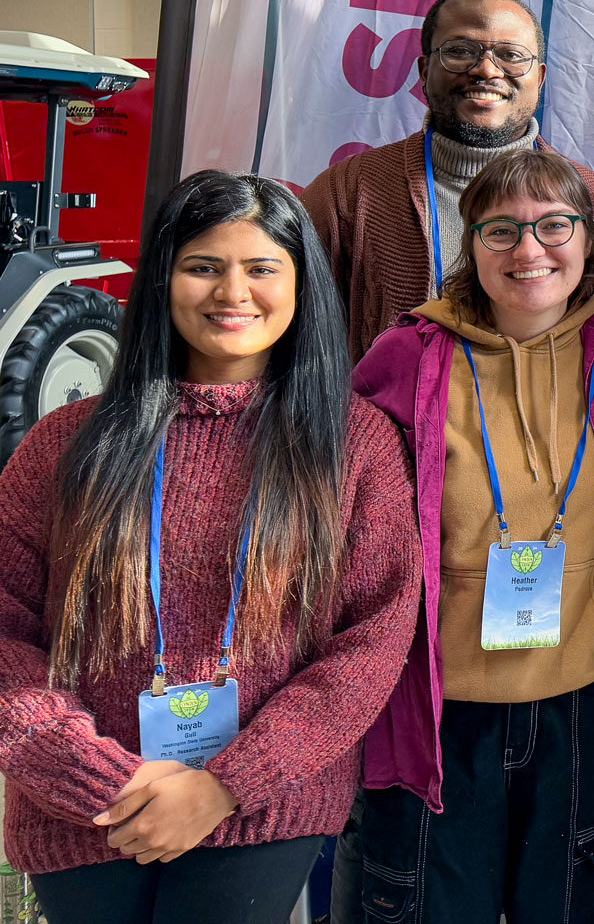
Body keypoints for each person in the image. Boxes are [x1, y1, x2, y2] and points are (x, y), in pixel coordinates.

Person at [0, 171, 420, 923]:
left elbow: (372, 641)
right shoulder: (65, 443)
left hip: (263, 804)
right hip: (84, 809)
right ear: (164, 279)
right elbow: (6, 624)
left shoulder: (353, 445)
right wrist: (93, 777)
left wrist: (226, 784)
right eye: (203, 267)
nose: (233, 293)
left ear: (302, 287)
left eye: (262, 268)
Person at [346, 150, 594, 922]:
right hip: (442, 705)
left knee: (564, 902)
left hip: (579, 695)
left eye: (553, 226)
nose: (529, 250)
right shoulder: (406, 358)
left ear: (589, 243)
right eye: (502, 230)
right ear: (474, 246)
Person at [303, 0, 594, 359]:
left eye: (510, 55)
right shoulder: (345, 196)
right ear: (425, 71)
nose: (487, 70)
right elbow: (294, 358)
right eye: (460, 51)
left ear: (539, 79)